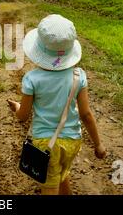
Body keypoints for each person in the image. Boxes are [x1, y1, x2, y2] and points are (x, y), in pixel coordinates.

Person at [7, 14, 106, 195]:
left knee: (49, 185)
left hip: (45, 143)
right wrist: (98, 144)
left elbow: (23, 117)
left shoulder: (32, 79)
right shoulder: (78, 76)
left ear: (39, 50)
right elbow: (86, 114)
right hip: (72, 142)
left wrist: (17, 108)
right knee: (61, 173)